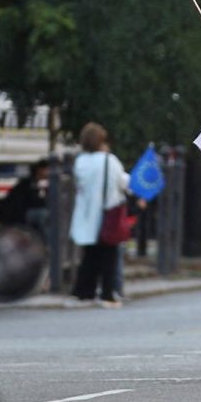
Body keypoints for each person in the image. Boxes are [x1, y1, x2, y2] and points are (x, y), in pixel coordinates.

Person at [67, 122, 131, 304]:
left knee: (89, 256)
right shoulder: (109, 161)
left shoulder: (80, 162)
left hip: (86, 214)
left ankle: (83, 292)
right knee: (109, 256)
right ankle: (107, 293)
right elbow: (122, 182)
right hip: (107, 213)